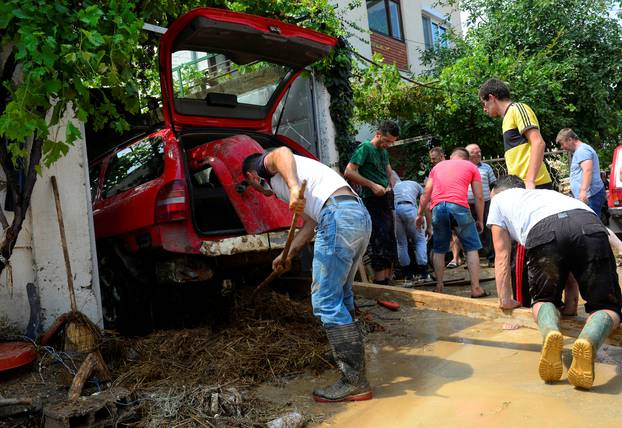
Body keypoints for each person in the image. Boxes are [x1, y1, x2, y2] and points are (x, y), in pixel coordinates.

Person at [242, 146, 372, 402]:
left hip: (337, 215)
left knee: (325, 301)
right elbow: (312, 222)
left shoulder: (264, 167)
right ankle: (356, 373)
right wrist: (287, 254)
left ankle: (354, 381)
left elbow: (280, 151)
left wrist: (291, 186)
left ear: (250, 177)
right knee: (341, 298)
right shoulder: (307, 177)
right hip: (355, 215)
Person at [487, 175, 621, 389]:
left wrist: (505, 300)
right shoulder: (549, 194)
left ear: (497, 192)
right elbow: (572, 245)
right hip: (589, 224)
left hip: (543, 233)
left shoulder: (498, 201)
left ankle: (550, 331)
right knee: (607, 306)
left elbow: (502, 255)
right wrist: (571, 305)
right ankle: (588, 341)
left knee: (542, 300)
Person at [416, 147, 487, 298]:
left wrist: (419, 214)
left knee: (439, 249)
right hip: (459, 206)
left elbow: (425, 193)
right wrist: (480, 219)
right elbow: (479, 197)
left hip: (438, 208)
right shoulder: (471, 167)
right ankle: (475, 289)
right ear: (466, 158)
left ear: (451, 156)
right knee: (471, 247)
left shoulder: (437, 167)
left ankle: (439, 286)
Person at [345, 121, 399, 285]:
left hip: (384, 199)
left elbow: (388, 171)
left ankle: (389, 282)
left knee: (390, 238)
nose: (389, 145)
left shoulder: (383, 152)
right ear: (378, 134)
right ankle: (380, 283)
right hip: (371, 199)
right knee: (379, 239)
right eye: (387, 141)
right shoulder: (365, 148)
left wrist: (390, 183)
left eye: (392, 142)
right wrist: (372, 185)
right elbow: (349, 171)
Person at [478, 79, 552, 190]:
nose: (484, 109)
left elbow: (538, 142)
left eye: (484, 103)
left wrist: (530, 180)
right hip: (521, 187)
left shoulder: (517, 109)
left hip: (535, 185)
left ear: (492, 98)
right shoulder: (507, 119)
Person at [392, 172, 430, 281]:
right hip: (409, 208)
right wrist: (429, 226)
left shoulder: (394, 187)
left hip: (396, 211)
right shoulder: (415, 184)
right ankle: (424, 274)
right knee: (420, 240)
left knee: (401, 243)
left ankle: (408, 277)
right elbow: (426, 204)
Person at [556, 128, 605, 214]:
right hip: (590, 196)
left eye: (562, 144)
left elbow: (587, 170)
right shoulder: (581, 150)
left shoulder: (582, 151)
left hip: (590, 196)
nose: (562, 147)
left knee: (591, 224)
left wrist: (583, 192)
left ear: (570, 140)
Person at [466, 143, 497, 264]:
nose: (479, 154)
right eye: (475, 152)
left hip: (485, 203)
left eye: (479, 151)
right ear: (468, 154)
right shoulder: (464, 168)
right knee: (469, 231)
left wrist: (493, 197)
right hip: (468, 204)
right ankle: (475, 259)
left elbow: (493, 184)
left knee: (488, 230)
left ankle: (491, 257)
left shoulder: (486, 167)